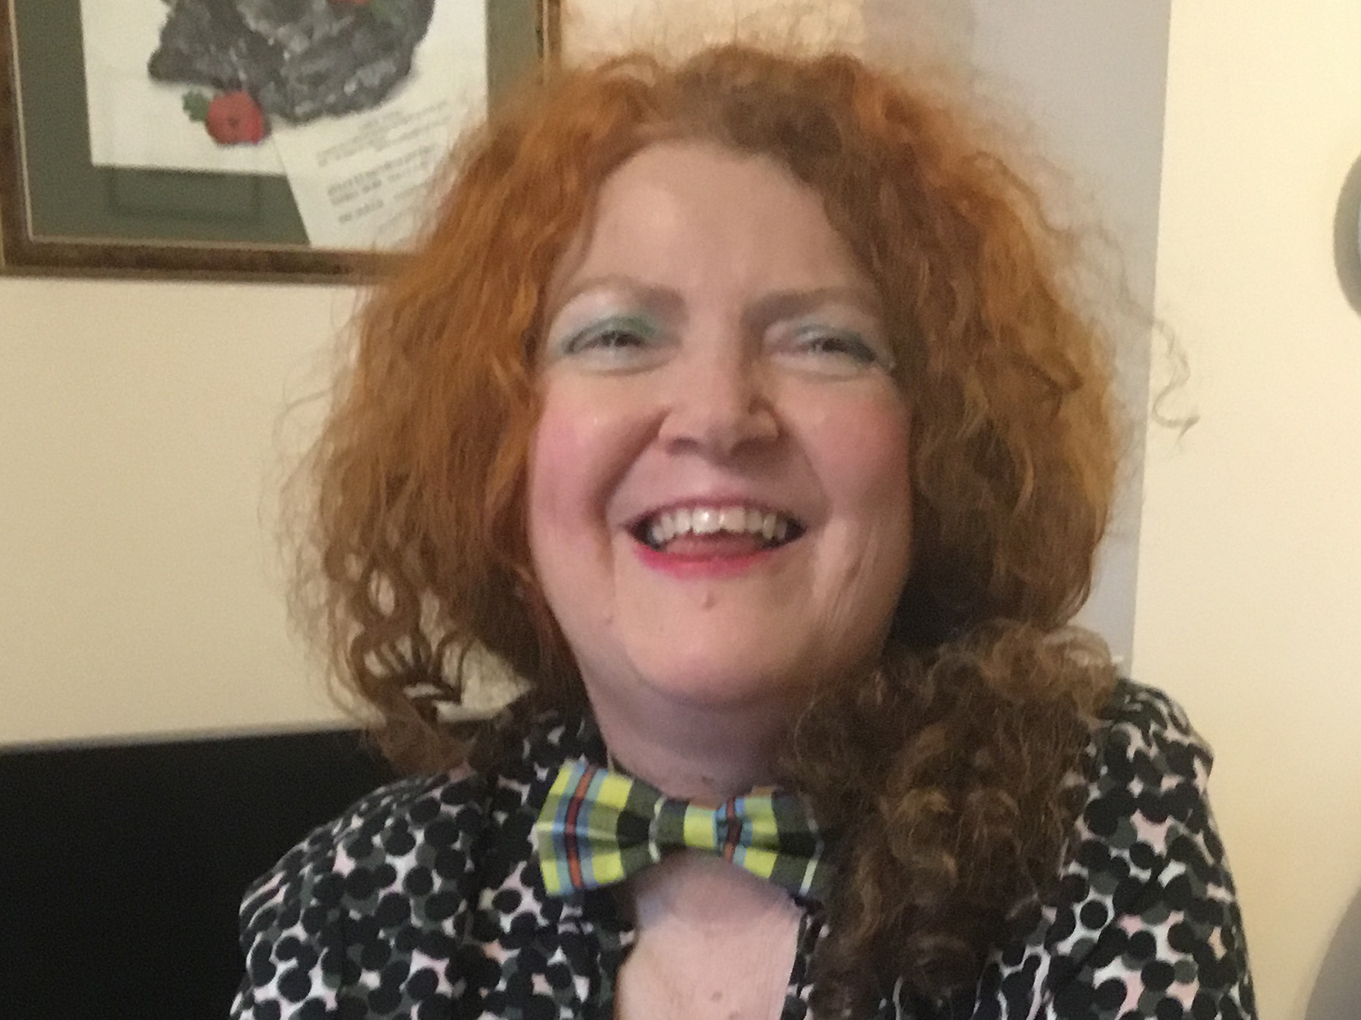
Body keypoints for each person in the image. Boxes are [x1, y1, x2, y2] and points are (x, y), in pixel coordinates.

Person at [232, 42, 1256, 1020]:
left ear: (940, 443)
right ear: (496, 439)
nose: (718, 414)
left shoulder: (1089, 812)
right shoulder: (351, 903)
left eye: (824, 342)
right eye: (617, 334)